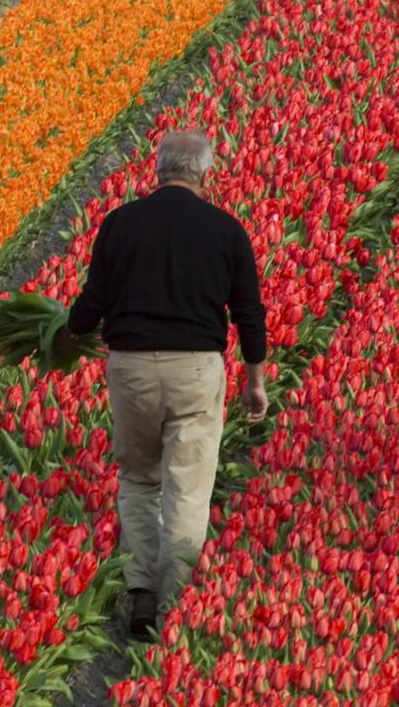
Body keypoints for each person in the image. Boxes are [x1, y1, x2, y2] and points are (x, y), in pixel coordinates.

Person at [66, 128, 268, 643]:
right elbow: (249, 314)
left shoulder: (121, 224)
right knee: (188, 488)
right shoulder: (227, 231)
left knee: (138, 478)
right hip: (197, 370)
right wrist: (254, 382)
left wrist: (65, 335)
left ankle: (140, 593)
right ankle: (174, 601)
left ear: (157, 172)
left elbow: (92, 305)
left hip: (131, 368)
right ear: (205, 174)